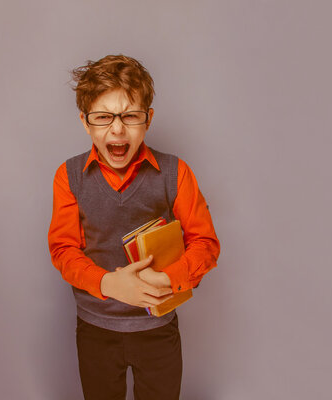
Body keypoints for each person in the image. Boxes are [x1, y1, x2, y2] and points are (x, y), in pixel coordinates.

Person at [48, 54, 220, 400]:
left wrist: (171, 279)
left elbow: (204, 242)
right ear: (85, 122)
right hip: (96, 330)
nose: (117, 129)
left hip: (157, 330)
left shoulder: (176, 173)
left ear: (148, 119)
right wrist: (108, 283)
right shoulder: (68, 177)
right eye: (103, 117)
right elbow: (63, 250)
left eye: (130, 115)